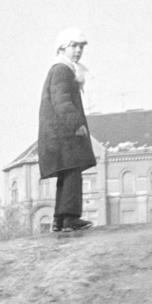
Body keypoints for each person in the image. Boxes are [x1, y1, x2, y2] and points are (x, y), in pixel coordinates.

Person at [37, 27, 95, 233]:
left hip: (56, 135)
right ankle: (70, 217)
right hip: (64, 134)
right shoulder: (62, 70)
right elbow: (62, 100)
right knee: (73, 172)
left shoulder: (61, 69)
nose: (78, 50)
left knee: (66, 173)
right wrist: (76, 123)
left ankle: (59, 219)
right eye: (74, 46)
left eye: (81, 46)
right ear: (62, 47)